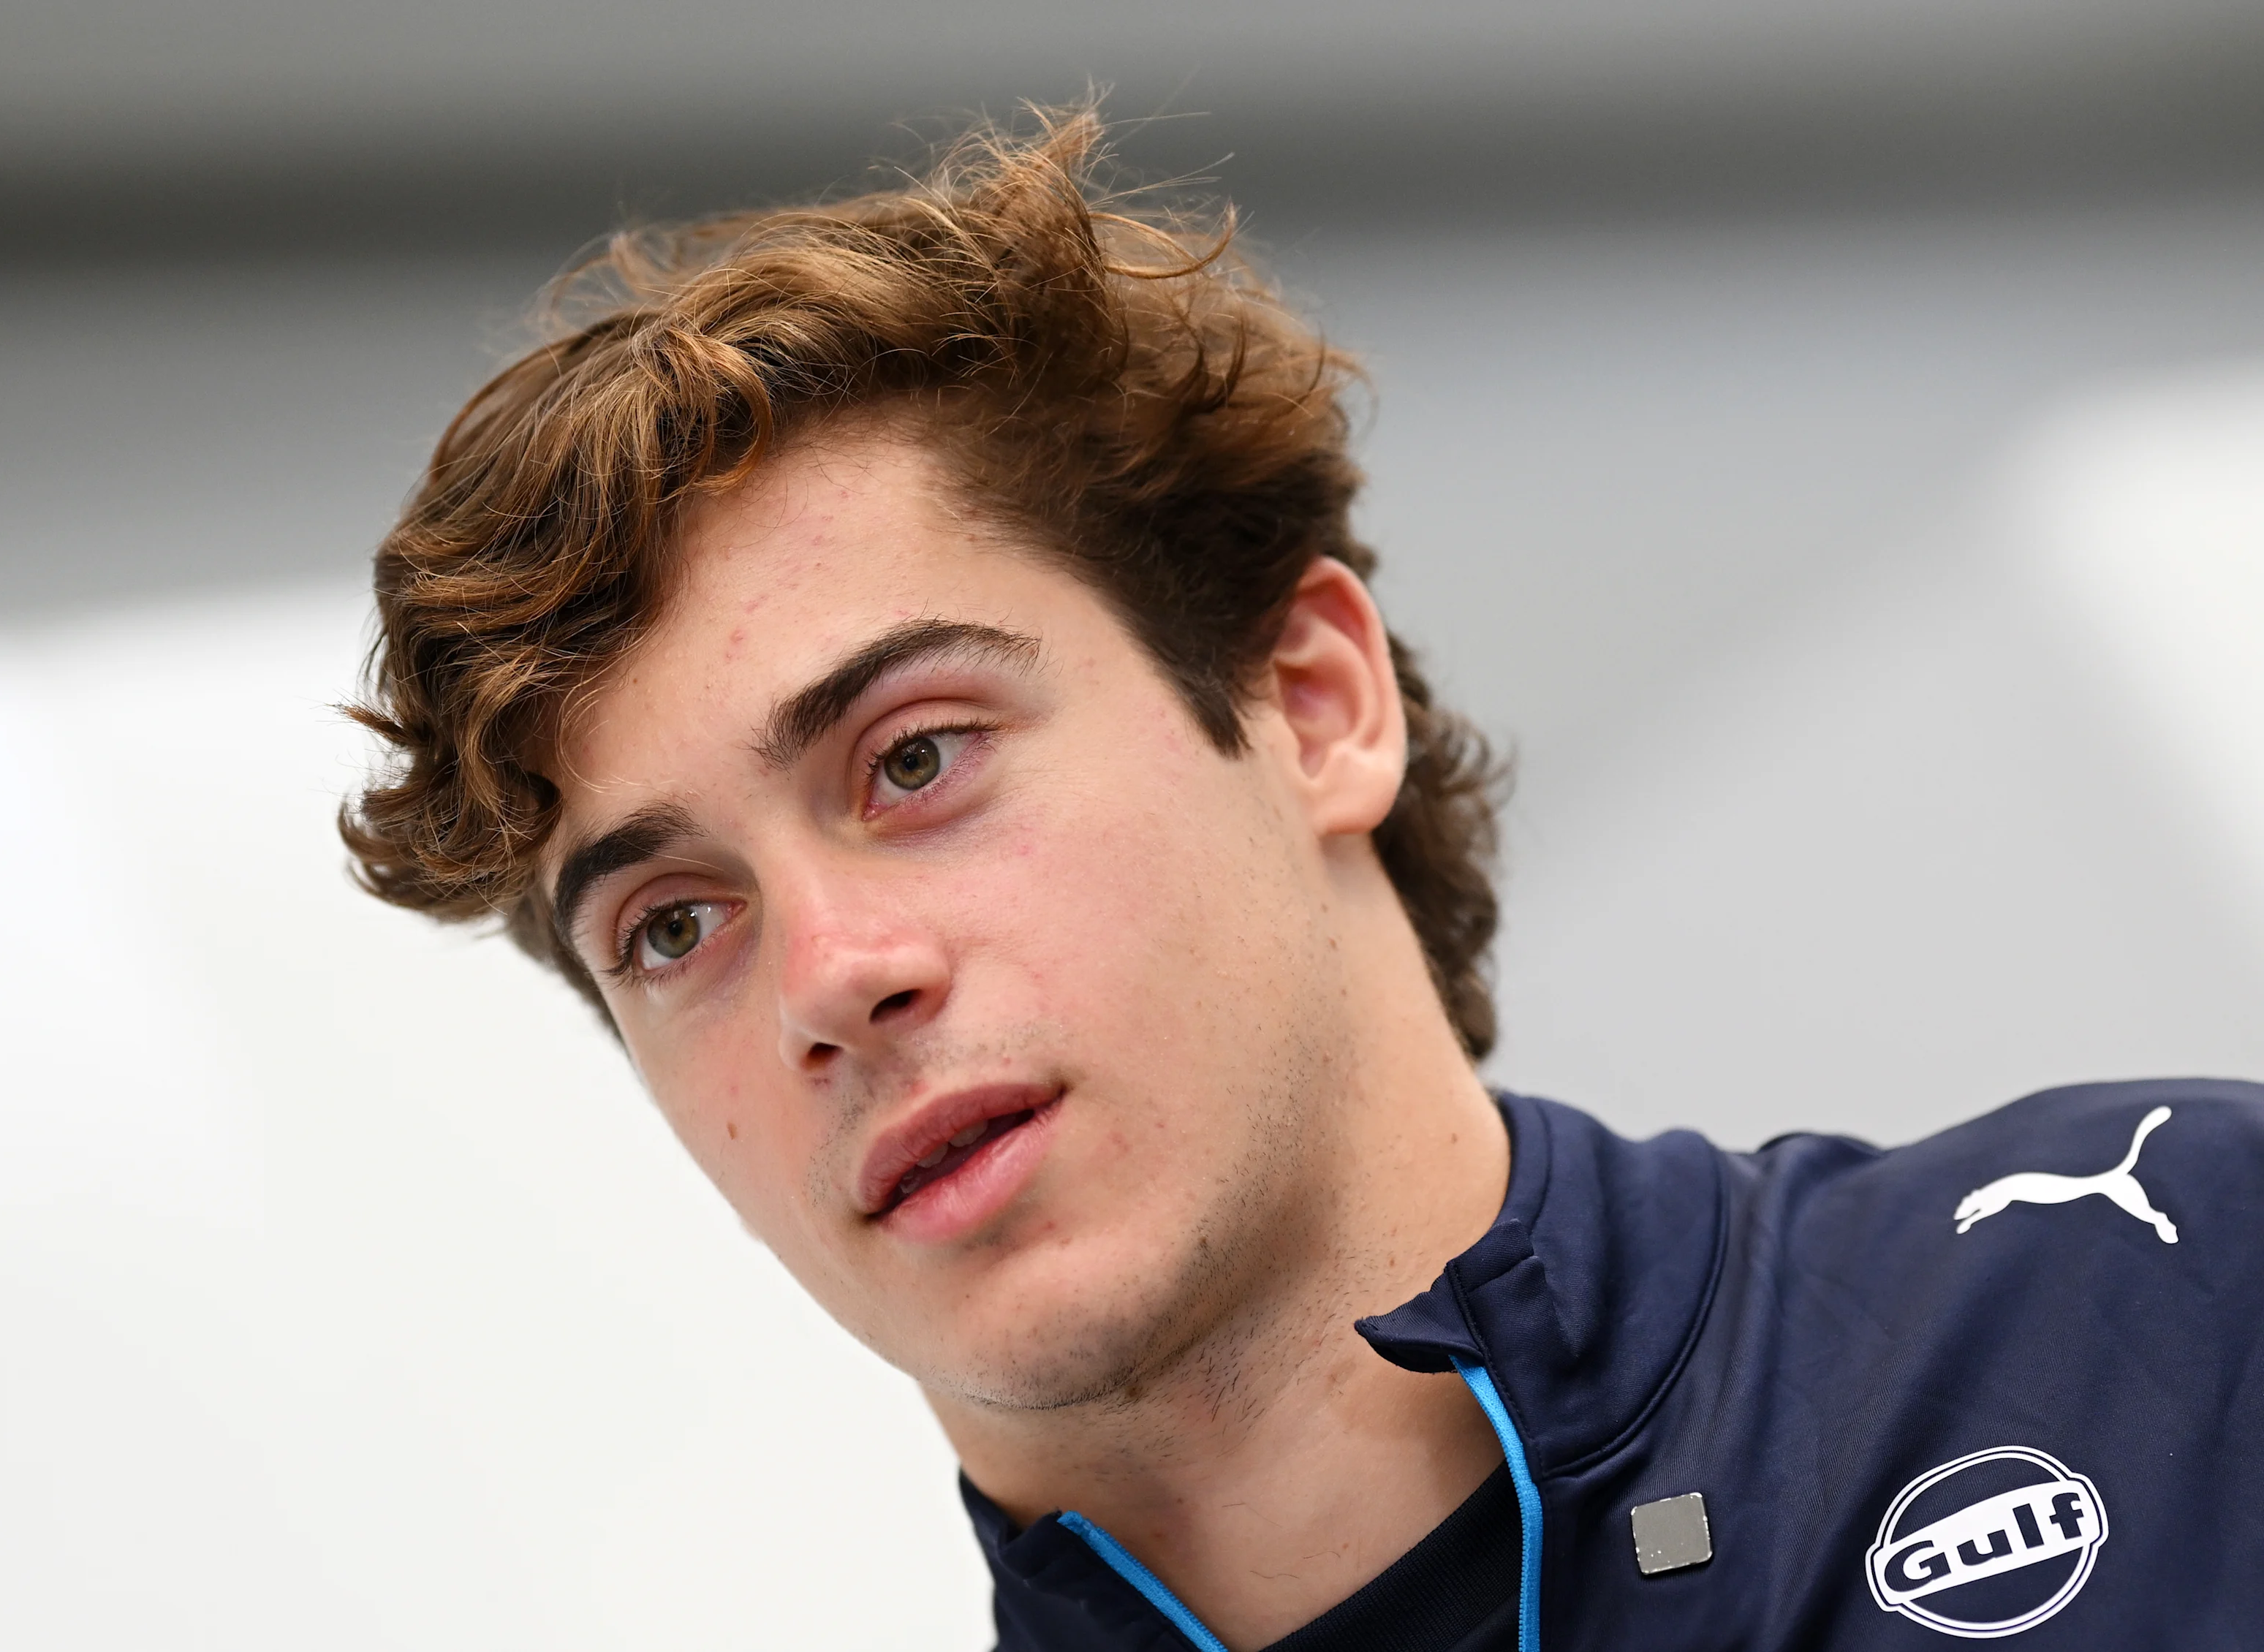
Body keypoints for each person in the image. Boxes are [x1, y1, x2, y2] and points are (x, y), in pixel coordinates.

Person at [341, 113, 2264, 1650]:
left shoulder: (2183, 1317)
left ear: (1313, 703)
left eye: (914, 758)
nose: (830, 975)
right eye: (671, 925)